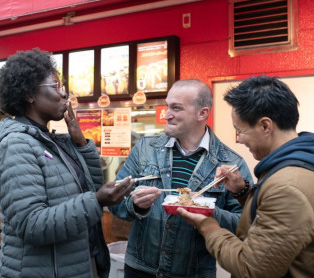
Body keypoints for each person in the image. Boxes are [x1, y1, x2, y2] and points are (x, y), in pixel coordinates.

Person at [0, 48, 134, 278]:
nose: (64, 95)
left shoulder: (53, 141)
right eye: (55, 88)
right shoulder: (17, 144)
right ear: (29, 94)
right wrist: (97, 201)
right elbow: (32, 225)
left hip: (74, 263)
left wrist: (81, 142)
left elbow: (91, 185)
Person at [109, 79, 253, 278]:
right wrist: (136, 204)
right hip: (141, 269)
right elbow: (114, 201)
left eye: (176, 108)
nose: (166, 115)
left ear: (202, 113)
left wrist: (208, 212)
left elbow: (246, 225)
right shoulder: (145, 149)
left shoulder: (231, 163)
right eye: (167, 106)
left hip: (194, 273)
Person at [178, 75, 314, 278]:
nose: (239, 140)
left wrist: (207, 225)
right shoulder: (296, 163)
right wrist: (242, 191)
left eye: (240, 131)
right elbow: (268, 216)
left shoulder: (287, 187)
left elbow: (251, 269)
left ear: (265, 126)